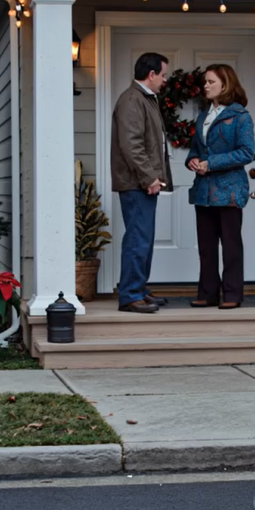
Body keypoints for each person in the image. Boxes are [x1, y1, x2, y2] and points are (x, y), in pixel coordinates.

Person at [185, 64, 255, 310]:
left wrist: (211, 163)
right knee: (206, 246)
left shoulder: (240, 116)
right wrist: (192, 159)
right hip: (203, 191)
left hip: (230, 191)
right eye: (205, 82)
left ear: (225, 85)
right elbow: (196, 148)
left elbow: (247, 152)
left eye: (211, 82)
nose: (205, 85)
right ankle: (208, 293)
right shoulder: (203, 116)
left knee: (231, 245)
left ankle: (233, 294)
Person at [111, 52, 174, 314]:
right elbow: (132, 145)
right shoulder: (132, 100)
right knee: (138, 238)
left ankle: (138, 289)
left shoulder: (145, 99)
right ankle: (130, 295)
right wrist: (149, 177)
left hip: (143, 181)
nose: (164, 80)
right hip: (137, 183)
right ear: (151, 74)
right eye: (163, 74)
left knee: (143, 238)